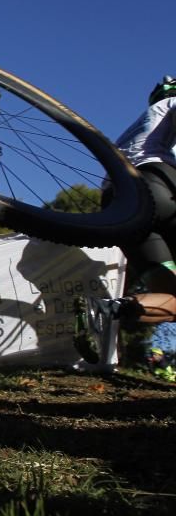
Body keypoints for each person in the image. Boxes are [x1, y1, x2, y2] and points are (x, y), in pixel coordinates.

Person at [75, 76, 176, 364]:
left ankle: (106, 309)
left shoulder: (139, 124)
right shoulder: (172, 104)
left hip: (120, 204)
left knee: (170, 295)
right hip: (156, 183)